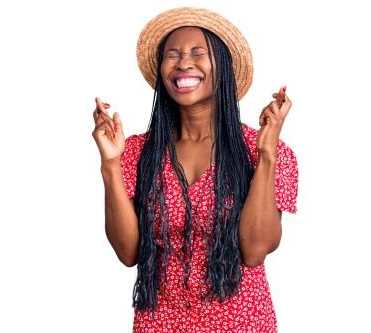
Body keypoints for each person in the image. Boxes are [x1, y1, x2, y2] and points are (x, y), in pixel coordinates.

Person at [92, 7, 298, 333]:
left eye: (197, 53)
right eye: (172, 55)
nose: (183, 63)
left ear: (223, 69)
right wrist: (110, 165)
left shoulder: (265, 152)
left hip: (241, 323)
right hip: (159, 323)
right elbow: (128, 252)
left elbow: (255, 251)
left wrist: (266, 154)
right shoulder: (135, 152)